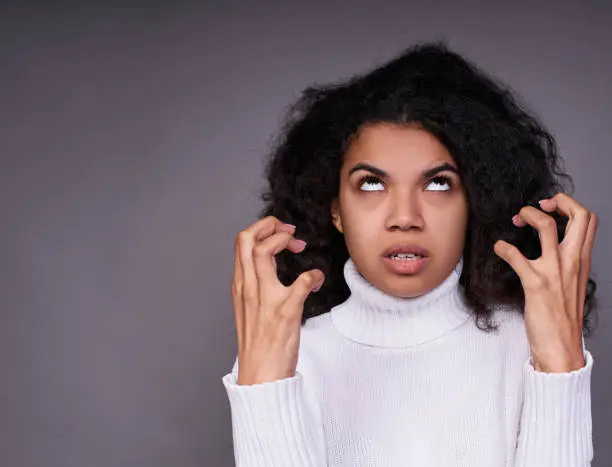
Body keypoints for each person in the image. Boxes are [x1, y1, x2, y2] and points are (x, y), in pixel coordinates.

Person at [221, 41, 599, 466]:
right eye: (371, 184)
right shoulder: (289, 354)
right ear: (335, 210)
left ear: (475, 202)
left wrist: (560, 365)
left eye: (438, 184)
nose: (404, 218)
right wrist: (265, 387)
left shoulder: (529, 345)